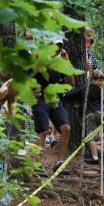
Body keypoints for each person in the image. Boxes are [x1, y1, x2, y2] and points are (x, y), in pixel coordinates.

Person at [64, 69, 104, 164]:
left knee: (93, 136)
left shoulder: (84, 88)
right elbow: (102, 102)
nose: (101, 82)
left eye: (102, 80)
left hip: (90, 115)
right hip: (101, 113)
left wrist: (65, 96)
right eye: (99, 80)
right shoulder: (99, 90)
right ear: (93, 79)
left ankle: (96, 157)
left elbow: (72, 95)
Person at [31, 37, 73, 174]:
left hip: (55, 100)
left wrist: (66, 62)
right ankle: (37, 166)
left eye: (60, 46)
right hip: (40, 100)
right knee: (43, 131)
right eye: (55, 45)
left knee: (66, 129)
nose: (58, 48)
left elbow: (71, 83)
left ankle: (60, 163)